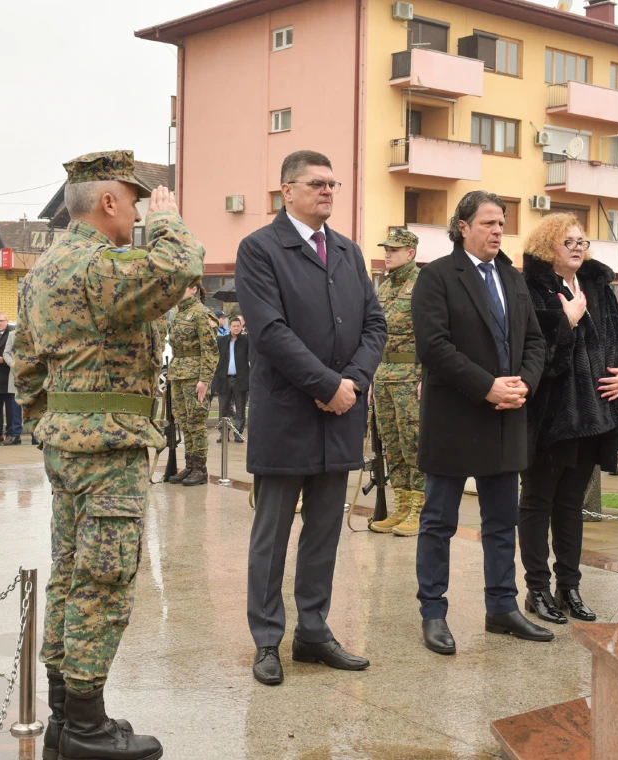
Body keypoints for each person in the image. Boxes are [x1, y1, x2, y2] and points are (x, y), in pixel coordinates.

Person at [12, 150, 203, 760]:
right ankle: (87, 728)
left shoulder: (43, 270)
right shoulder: (100, 266)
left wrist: (52, 424)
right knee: (104, 581)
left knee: (70, 574)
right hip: (109, 447)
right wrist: (170, 222)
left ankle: (66, 716)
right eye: (137, 202)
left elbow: (25, 365)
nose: (141, 213)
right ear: (108, 201)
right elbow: (181, 268)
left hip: (68, 444)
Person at [236, 149, 386, 686]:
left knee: (324, 533)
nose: (327, 191)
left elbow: (374, 325)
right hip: (287, 416)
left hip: (340, 416)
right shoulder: (260, 248)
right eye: (316, 183)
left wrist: (353, 384)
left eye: (332, 184)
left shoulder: (347, 251)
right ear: (287, 191)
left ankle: (314, 633)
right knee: (272, 535)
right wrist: (327, 385)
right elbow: (269, 331)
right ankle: (267, 640)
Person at [412, 190, 549, 656]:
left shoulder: (512, 277)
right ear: (463, 227)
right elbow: (433, 346)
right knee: (438, 522)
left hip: (506, 418)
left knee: (501, 521)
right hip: (454, 418)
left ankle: (502, 607)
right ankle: (433, 612)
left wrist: (523, 384)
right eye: (488, 223)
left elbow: (535, 341)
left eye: (501, 223)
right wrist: (487, 386)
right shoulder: (436, 277)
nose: (497, 231)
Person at [519, 213, 618, 624]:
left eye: (582, 241)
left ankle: (569, 587)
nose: (578, 248)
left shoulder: (597, 288)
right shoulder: (531, 289)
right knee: (538, 503)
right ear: (548, 247)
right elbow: (532, 354)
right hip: (549, 419)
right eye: (569, 241)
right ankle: (537, 589)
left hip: (593, 419)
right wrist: (568, 321)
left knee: (571, 505)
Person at [367, 228, 426, 537]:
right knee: (392, 444)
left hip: (410, 377)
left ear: (410, 253)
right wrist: (371, 376)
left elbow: (433, 334)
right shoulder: (385, 286)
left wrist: (428, 375)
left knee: (413, 443)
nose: (387, 254)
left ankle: (420, 509)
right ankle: (401, 506)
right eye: (386, 249)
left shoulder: (423, 284)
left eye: (394, 249)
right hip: (384, 375)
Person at [164, 285, 218, 486]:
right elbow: (176, 348)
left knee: (196, 422)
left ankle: (200, 468)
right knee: (184, 422)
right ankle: (190, 464)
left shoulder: (201, 314)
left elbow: (210, 351)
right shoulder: (178, 314)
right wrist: (171, 373)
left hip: (195, 375)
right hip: (179, 373)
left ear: (194, 289)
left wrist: (204, 380)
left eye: (183, 287)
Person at [213, 315, 249, 443]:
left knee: (240, 408)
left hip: (240, 379)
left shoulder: (246, 341)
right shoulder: (221, 341)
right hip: (224, 379)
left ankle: (238, 434)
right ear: (229, 327)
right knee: (223, 409)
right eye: (234, 326)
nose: (236, 328)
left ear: (241, 327)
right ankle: (223, 434)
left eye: (238, 326)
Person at [0, 312, 22, 445]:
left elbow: (8, 354)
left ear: (7, 321)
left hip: (10, 375)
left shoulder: (12, 334)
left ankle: (12, 433)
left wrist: (5, 361)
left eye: (2, 321)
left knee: (12, 408)